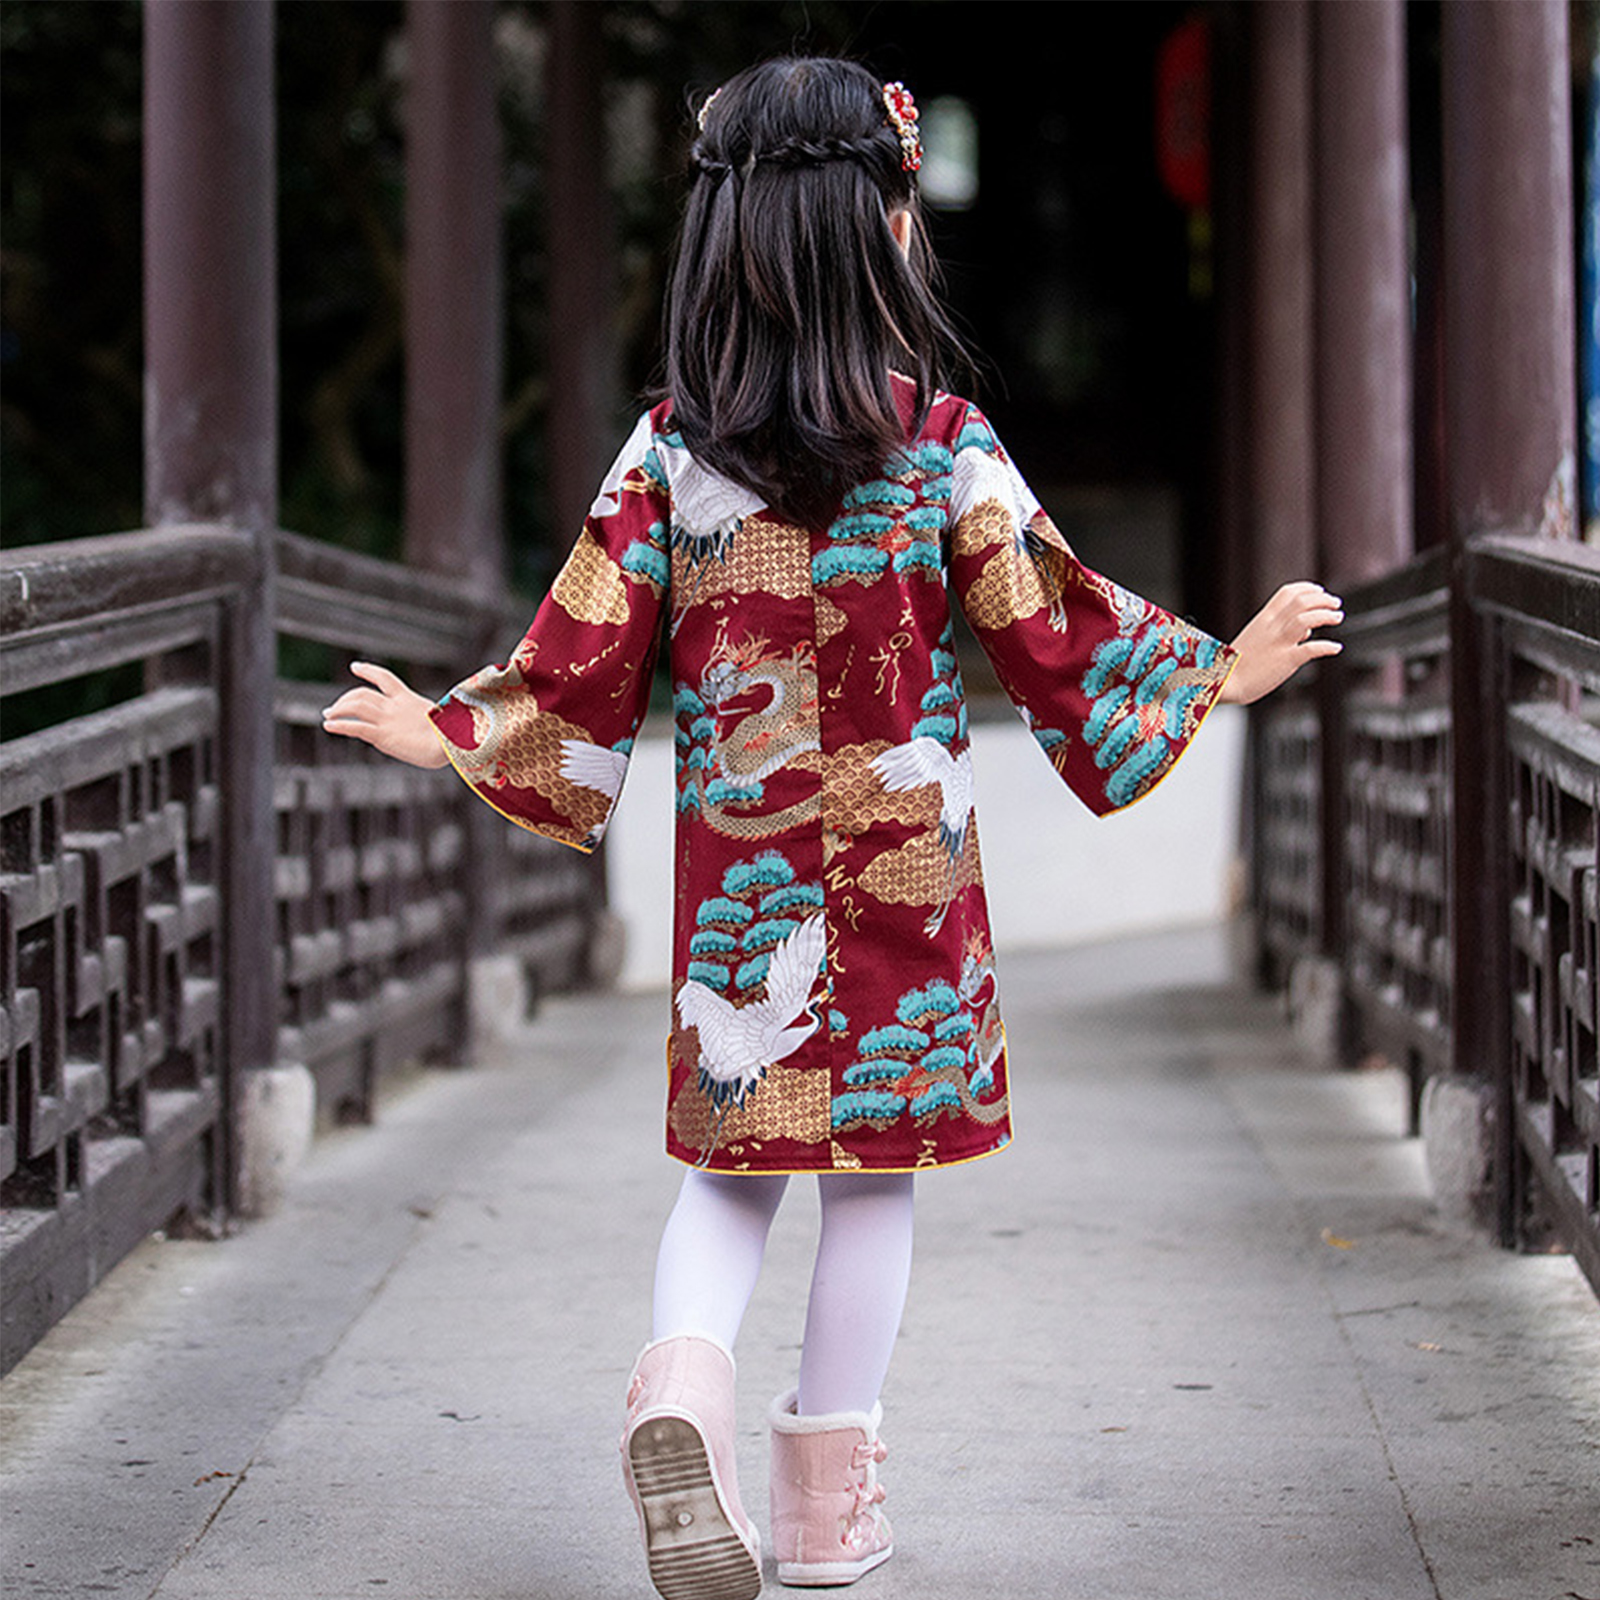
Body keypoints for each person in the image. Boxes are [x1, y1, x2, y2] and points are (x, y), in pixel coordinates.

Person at [322, 56, 1342, 1600]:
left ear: (721, 249)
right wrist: (1220, 670)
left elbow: (579, 661)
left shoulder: (670, 455)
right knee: (874, 1183)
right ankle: (823, 1514)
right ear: (889, 234)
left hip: (744, 885)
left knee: (730, 1176)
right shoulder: (940, 444)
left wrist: (449, 726)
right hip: (901, 887)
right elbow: (1052, 628)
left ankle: (681, 1380)